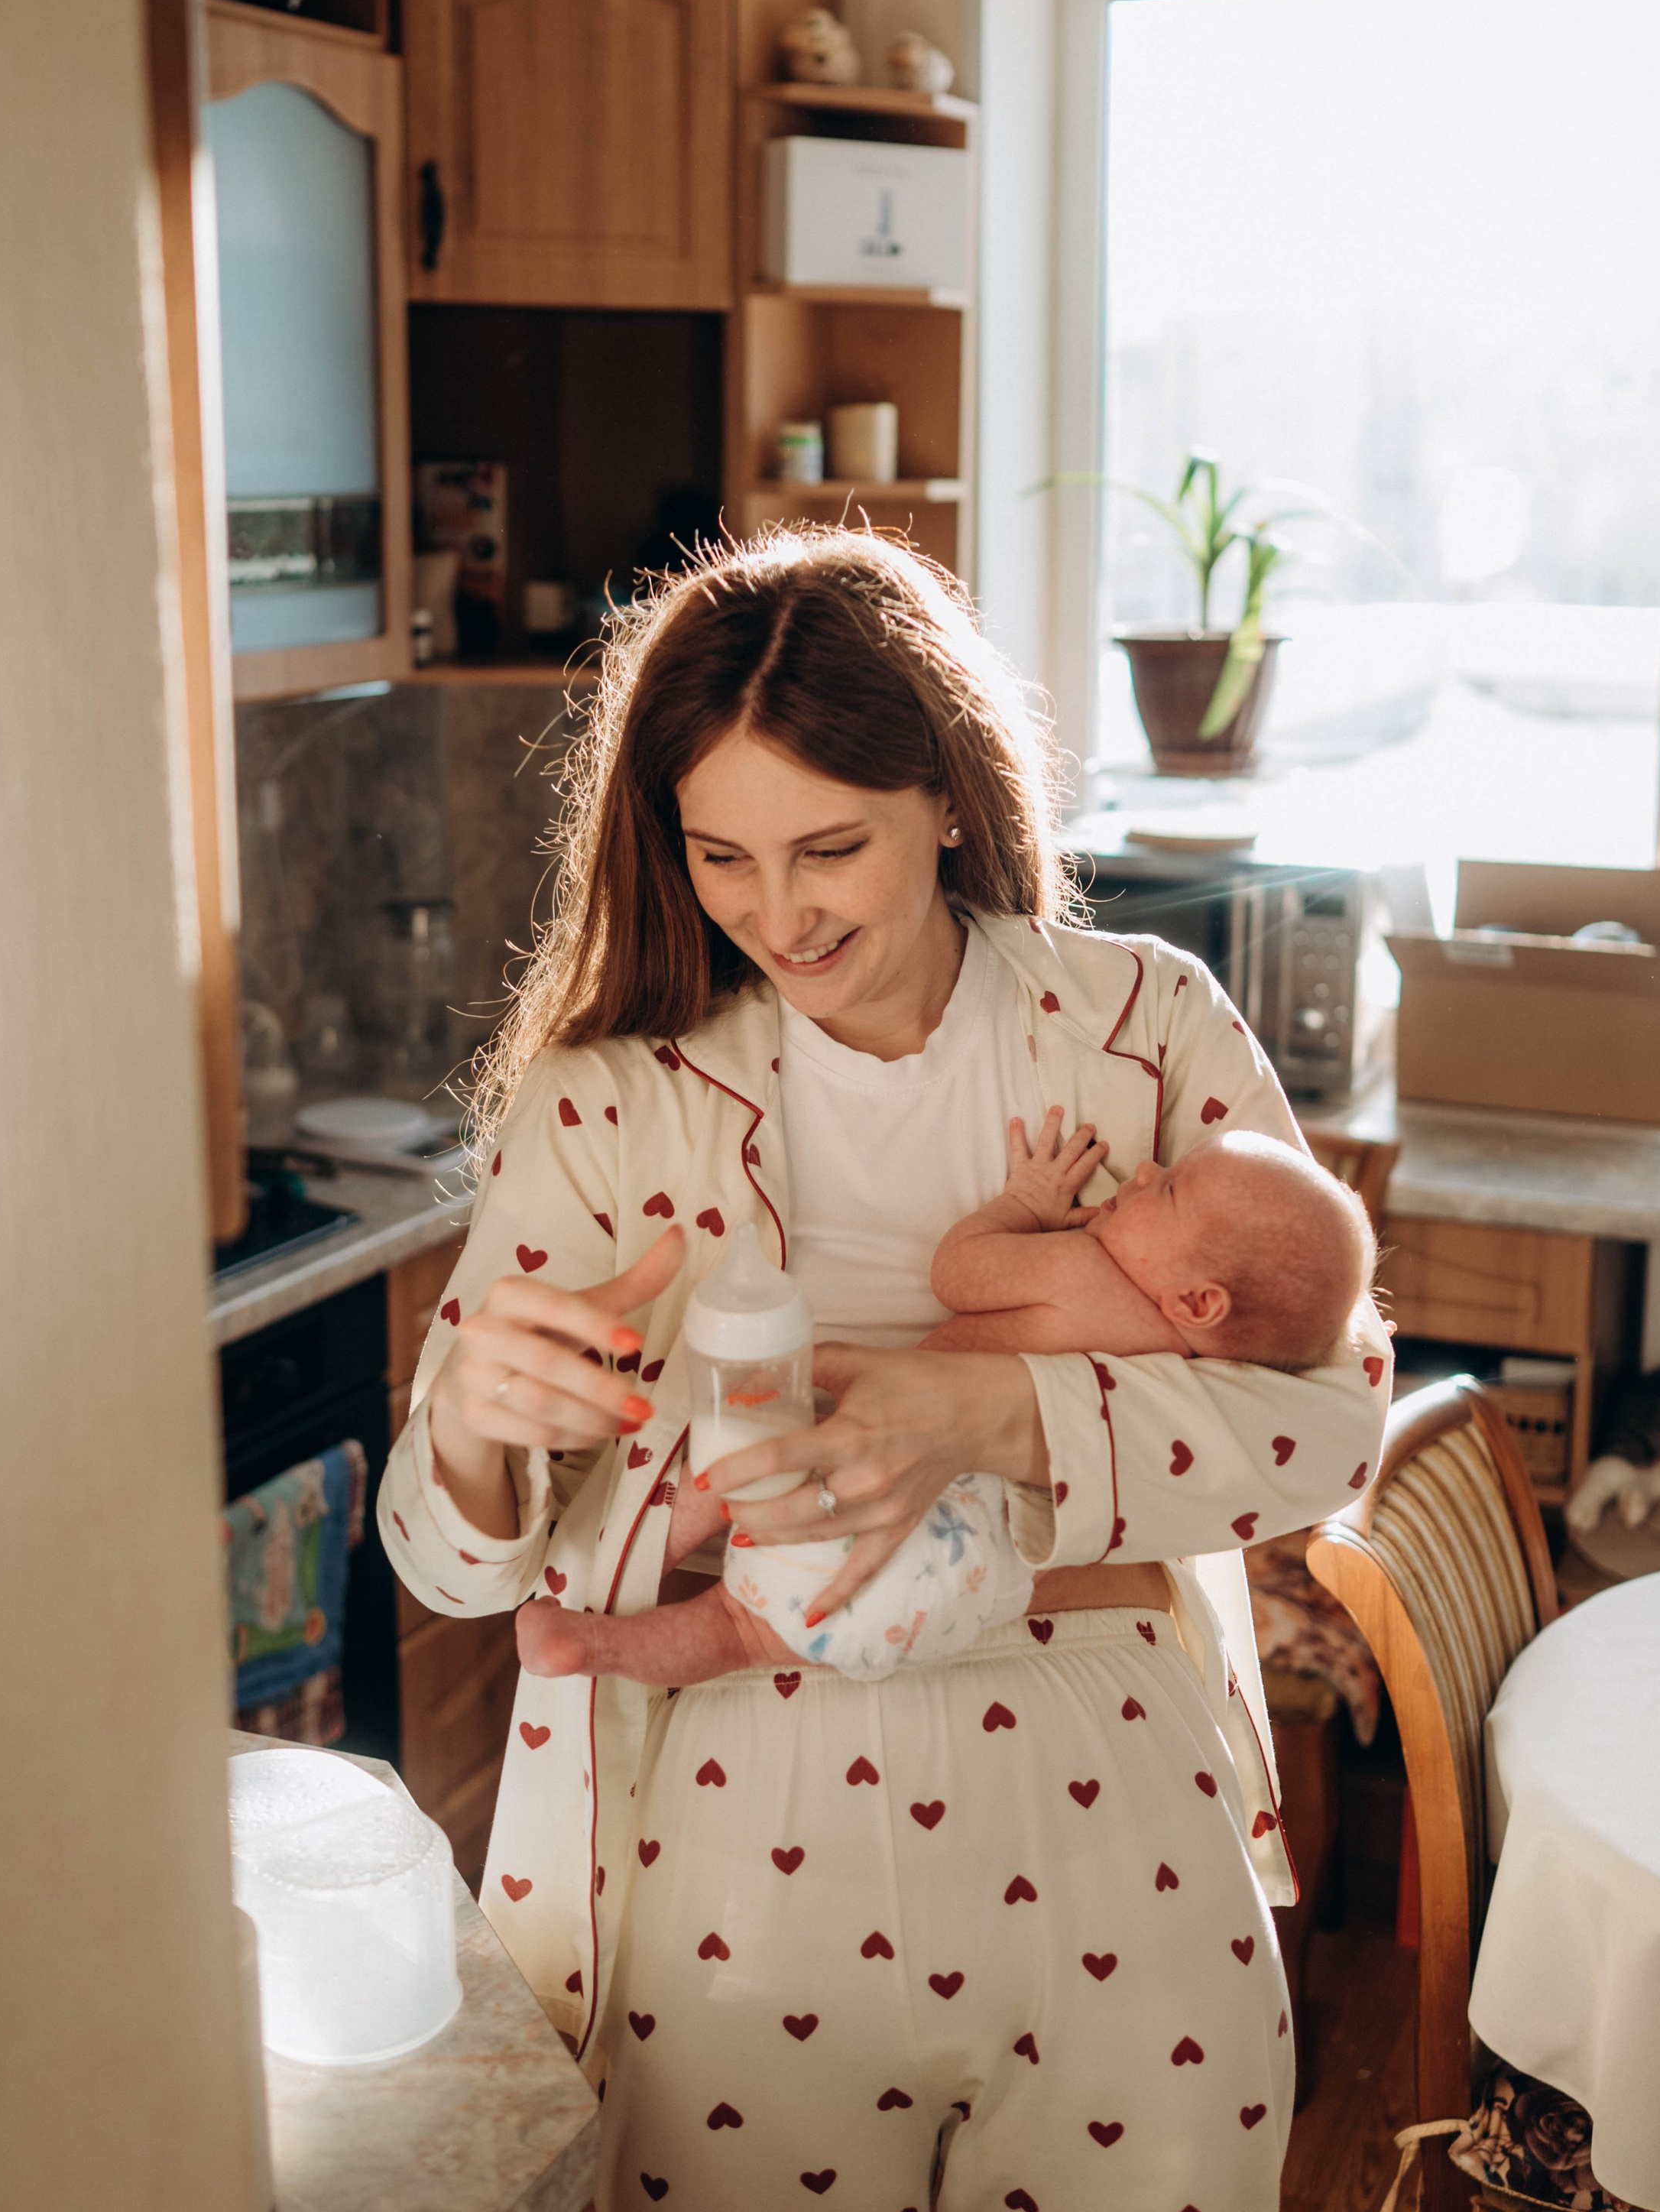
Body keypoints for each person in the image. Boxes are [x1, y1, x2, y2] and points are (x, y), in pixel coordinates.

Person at [377, 529, 1390, 2210]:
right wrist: (477, 1430)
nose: (778, 912)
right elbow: (447, 1558)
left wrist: (974, 1408)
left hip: (1102, 1763)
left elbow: (1327, 1428)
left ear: (942, 792)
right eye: (720, 855)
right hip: (729, 1785)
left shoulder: (1141, 1027)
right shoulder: (605, 1096)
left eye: (829, 845)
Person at [513, 1113, 1375, 1687]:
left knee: (735, 1447)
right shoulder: (1189, 1369)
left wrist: (1025, 1206)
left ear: (1199, 1301)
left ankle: (608, 1590)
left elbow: (956, 1273)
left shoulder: (1084, 1273)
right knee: (740, 1632)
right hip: (952, 1588)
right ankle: (603, 1648)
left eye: (1170, 1189)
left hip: (857, 1474)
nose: (1143, 1170)